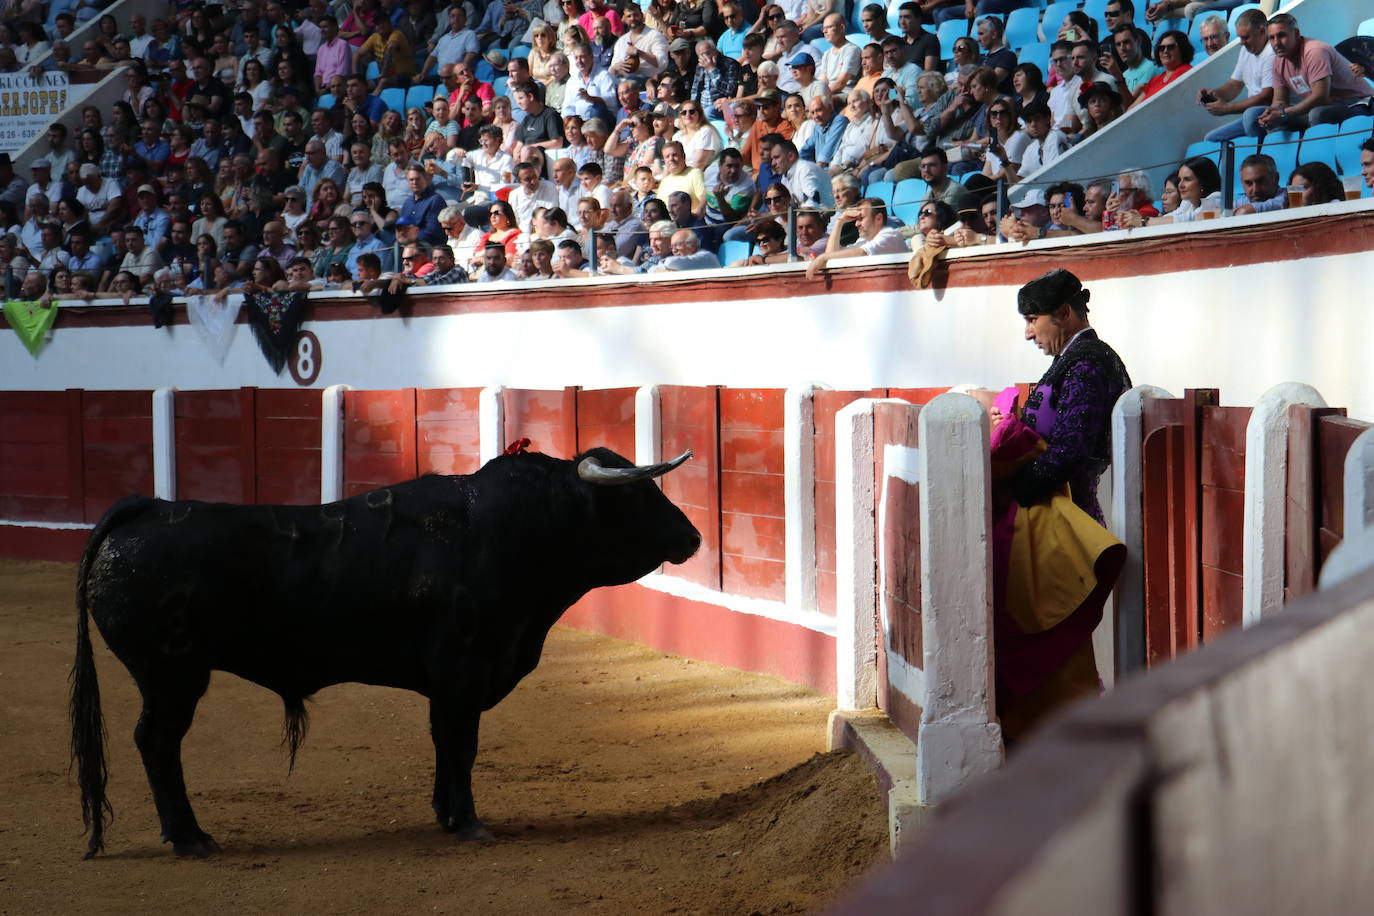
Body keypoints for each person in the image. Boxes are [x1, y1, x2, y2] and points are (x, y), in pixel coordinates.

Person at [986, 267, 1131, 742]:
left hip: (1071, 517)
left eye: (1033, 320)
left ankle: (1071, 730)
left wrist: (1013, 488)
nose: (1028, 332)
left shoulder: (1088, 363)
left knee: (1055, 625)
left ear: (1064, 314)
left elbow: (1068, 450)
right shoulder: (1077, 358)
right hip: (1057, 511)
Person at [1256, 13, 1374, 137]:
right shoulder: (1278, 61)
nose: (1276, 43)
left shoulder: (1315, 51)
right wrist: (1272, 112)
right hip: (1327, 105)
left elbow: (1320, 97)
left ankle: (1321, 155)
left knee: (1317, 114)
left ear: (1296, 33)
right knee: (1274, 123)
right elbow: (1280, 100)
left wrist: (1283, 113)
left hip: (1359, 102)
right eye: (1271, 38)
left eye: (1281, 36)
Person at [1198, 9, 1274, 143]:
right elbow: (1234, 84)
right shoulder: (1246, 49)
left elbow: (1266, 97)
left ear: (1262, 31)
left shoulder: (1271, 52)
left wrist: (1227, 109)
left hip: (1270, 112)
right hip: (1254, 115)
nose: (1241, 42)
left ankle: (1258, 157)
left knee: (1250, 115)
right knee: (1211, 139)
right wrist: (1214, 94)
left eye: (1245, 37)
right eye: (1240, 37)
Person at [805, 198, 908, 278]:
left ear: (878, 218)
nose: (856, 224)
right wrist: (840, 221)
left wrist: (823, 257)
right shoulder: (862, 241)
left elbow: (862, 253)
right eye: (856, 219)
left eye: (861, 218)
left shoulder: (890, 235)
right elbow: (831, 256)